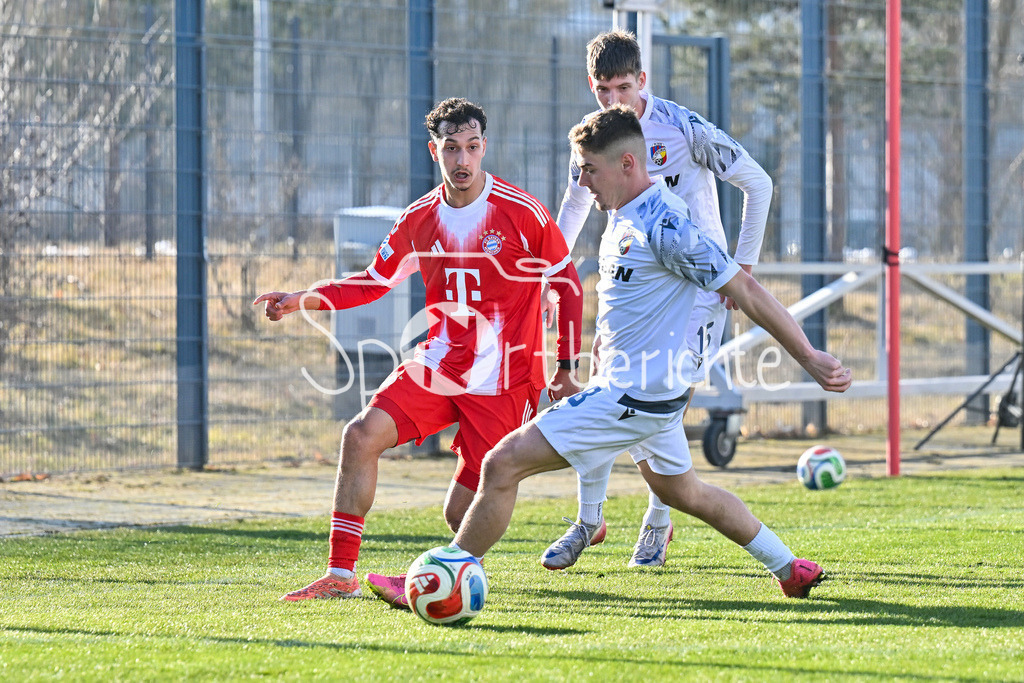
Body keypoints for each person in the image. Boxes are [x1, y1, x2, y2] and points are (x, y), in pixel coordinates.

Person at [449, 105, 851, 600]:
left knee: (501, 463)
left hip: (632, 396)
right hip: (643, 395)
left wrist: (809, 357)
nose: (582, 182)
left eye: (589, 170)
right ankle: (789, 567)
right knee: (684, 493)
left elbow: (745, 291)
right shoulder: (624, 215)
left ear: (626, 165)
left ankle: (442, 580)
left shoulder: (664, 227)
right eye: (579, 170)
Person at [254, 98, 583, 608]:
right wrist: (302, 299)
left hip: (503, 379)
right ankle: (341, 574)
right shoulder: (419, 219)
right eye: (451, 148)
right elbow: (371, 282)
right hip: (439, 365)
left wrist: (563, 367)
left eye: (472, 147)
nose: (463, 160)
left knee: (462, 513)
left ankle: (443, 582)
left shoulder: (521, 211)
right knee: (359, 435)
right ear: (435, 151)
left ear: (484, 148)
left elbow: (566, 282)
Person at [541, 30, 775, 571]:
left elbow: (757, 183)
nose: (614, 101)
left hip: (695, 290)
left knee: (663, 394)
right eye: (603, 89)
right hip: (630, 279)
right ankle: (588, 519)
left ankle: (657, 520)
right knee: (602, 385)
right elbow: (573, 210)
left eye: (624, 87)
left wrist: (742, 267)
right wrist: (549, 272)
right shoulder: (594, 137)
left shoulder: (684, 128)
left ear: (642, 80)